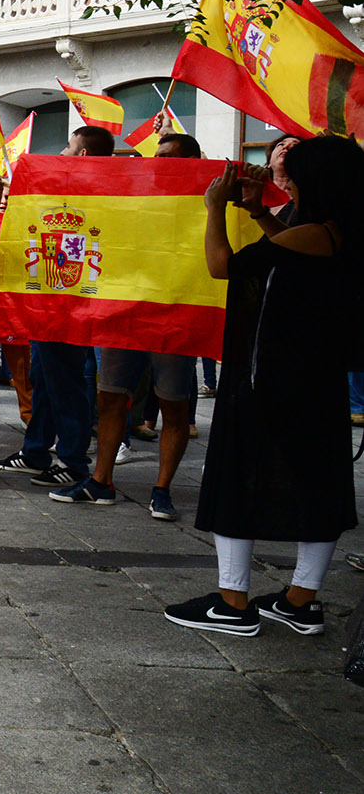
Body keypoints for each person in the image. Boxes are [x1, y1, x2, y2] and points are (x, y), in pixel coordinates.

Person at [165, 138, 362, 637]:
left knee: (238, 473)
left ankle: (233, 603)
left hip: (271, 375)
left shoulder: (313, 232)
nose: (284, 180)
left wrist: (215, 208)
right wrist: (258, 213)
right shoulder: (337, 230)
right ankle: (300, 600)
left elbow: (224, 266)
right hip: (317, 378)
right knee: (320, 480)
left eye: (291, 174)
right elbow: (297, 252)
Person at [67, 129, 204, 517]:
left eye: (171, 158)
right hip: (123, 313)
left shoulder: (207, 200)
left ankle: (162, 489)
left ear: (194, 163)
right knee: (110, 398)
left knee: (173, 405)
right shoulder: (133, 194)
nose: (159, 164)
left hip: (176, 315)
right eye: (156, 157)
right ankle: (101, 480)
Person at [0, 125, 115, 492]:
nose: (61, 153)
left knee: (65, 381)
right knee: (44, 376)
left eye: (67, 146)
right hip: (48, 298)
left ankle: (74, 460)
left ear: (81, 155)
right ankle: (35, 450)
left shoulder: (96, 192)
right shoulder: (70, 188)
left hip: (72, 302)